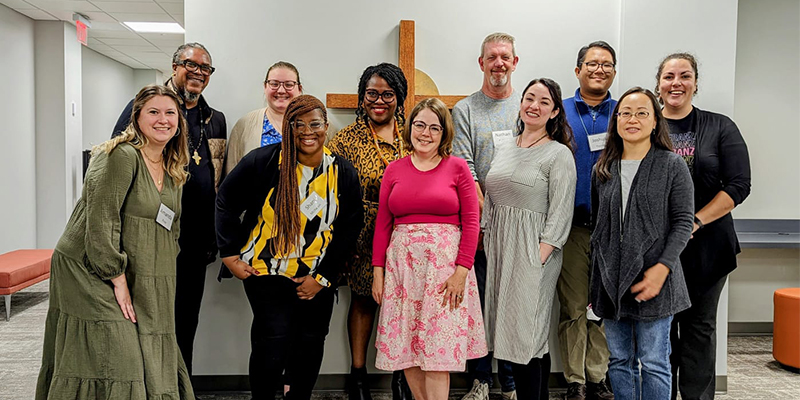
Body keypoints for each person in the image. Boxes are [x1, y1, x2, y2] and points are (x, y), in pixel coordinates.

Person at [36, 85, 193, 399]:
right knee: (120, 355)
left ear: (179, 122)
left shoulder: (174, 168)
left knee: (139, 345)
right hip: (88, 267)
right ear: (136, 117)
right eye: (153, 112)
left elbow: (170, 228)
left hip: (131, 266)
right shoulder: (120, 156)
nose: (163, 120)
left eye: (170, 113)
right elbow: (102, 219)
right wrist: (117, 277)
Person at [215, 95, 363, 400]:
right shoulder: (264, 161)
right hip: (266, 272)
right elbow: (225, 202)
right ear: (288, 127)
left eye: (315, 124)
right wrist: (229, 255)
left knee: (310, 343)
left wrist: (322, 278)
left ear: (326, 127)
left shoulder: (342, 172)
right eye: (298, 124)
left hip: (317, 276)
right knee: (273, 340)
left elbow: (350, 226)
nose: (307, 131)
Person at [112, 42, 227, 376]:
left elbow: (216, 178)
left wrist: (215, 238)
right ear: (174, 66)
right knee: (148, 318)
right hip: (149, 238)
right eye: (191, 64)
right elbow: (119, 163)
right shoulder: (146, 108)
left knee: (186, 319)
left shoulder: (214, 119)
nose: (198, 73)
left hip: (194, 242)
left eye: (205, 68)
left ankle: (180, 385)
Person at [372, 97, 487, 400]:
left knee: (437, 355)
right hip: (402, 271)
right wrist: (377, 272)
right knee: (407, 350)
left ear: (444, 133)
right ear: (410, 128)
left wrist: (462, 271)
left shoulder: (458, 168)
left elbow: (472, 222)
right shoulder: (394, 170)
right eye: (420, 125)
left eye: (434, 128)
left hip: (445, 272)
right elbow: (383, 223)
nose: (425, 133)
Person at [655, 53, 751, 400]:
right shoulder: (646, 126)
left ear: (696, 83)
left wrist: (694, 221)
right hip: (658, 251)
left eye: (684, 76)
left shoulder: (720, 126)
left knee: (699, 330)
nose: (676, 83)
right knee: (659, 332)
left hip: (709, 247)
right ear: (659, 83)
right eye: (669, 76)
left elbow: (739, 184)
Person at [590, 87, 694, 400]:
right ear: (616, 121)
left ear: (654, 122)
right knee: (619, 360)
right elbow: (600, 230)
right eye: (625, 113)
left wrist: (662, 268)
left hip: (656, 281)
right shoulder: (603, 169)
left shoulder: (672, 165)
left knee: (654, 361)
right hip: (612, 281)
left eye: (641, 113)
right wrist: (596, 283)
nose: (632, 119)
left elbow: (683, 223)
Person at [482, 78, 577, 400]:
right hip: (500, 249)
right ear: (521, 103)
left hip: (534, 251)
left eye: (544, 102)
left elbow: (561, 211)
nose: (534, 106)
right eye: (529, 98)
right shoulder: (506, 146)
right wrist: (487, 240)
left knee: (528, 336)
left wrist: (539, 255)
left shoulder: (558, 154)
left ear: (554, 112)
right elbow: (491, 197)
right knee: (514, 336)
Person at [327, 63, 411, 400]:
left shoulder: (415, 131)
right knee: (363, 300)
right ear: (362, 98)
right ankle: (358, 376)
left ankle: (402, 376)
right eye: (372, 94)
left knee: (406, 304)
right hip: (364, 232)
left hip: (408, 231)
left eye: (387, 94)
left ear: (399, 98)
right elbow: (331, 187)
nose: (379, 101)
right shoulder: (346, 139)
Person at [452, 32, 520, 400]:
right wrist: (483, 219)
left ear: (515, 62)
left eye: (505, 57)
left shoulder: (525, 107)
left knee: (508, 304)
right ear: (481, 63)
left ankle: (509, 385)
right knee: (477, 305)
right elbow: (466, 171)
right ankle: (480, 380)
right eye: (492, 57)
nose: (499, 64)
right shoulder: (465, 110)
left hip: (519, 225)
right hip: (478, 226)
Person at [558, 41, 617, 400]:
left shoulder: (625, 111)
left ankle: (599, 376)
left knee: (605, 307)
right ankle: (575, 380)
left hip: (615, 230)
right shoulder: (559, 112)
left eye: (607, 64)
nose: (599, 69)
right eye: (592, 64)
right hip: (573, 228)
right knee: (575, 305)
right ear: (577, 69)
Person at [225, 61, 303, 173]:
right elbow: (231, 177)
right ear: (265, 86)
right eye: (274, 84)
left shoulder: (318, 126)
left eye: (289, 84)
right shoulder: (244, 125)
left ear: (299, 89)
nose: (281, 90)